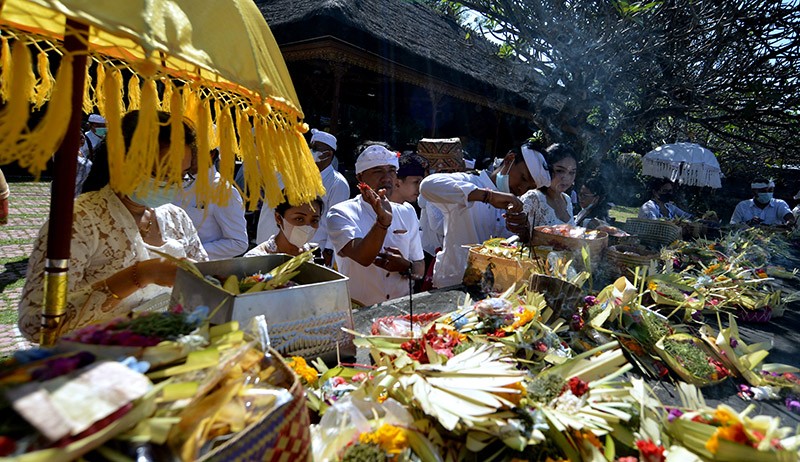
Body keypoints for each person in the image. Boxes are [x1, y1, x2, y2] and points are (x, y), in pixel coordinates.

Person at [18, 110, 208, 342]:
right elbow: (36, 324)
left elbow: (207, 283)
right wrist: (142, 274)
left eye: (184, 175)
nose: (175, 185)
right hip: (90, 365)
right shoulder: (78, 223)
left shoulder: (176, 218)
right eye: (164, 173)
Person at [419, 143, 544, 288]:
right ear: (509, 159)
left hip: (495, 289)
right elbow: (427, 186)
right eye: (523, 178)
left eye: (529, 187)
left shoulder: (518, 204)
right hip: (454, 283)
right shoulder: (471, 181)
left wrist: (521, 232)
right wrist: (488, 196)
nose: (522, 188)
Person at [327, 144, 424, 306]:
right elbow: (363, 257)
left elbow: (419, 266)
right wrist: (382, 222)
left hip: (401, 309)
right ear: (360, 178)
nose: (386, 178)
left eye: (391, 171)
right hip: (360, 311)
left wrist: (406, 266)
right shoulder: (341, 213)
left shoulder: (407, 212)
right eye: (378, 171)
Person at [256, 128, 349, 266]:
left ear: (327, 154)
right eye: (309, 147)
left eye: (314, 148)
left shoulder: (338, 183)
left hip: (313, 247)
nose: (309, 152)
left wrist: (329, 250)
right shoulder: (288, 172)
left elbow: (337, 220)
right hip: (275, 242)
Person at [175, 165, 248, 260]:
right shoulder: (178, 181)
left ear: (212, 154)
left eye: (193, 151)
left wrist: (191, 252)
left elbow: (238, 243)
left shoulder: (222, 189)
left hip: (204, 268)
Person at [518, 144, 579, 234]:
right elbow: (520, 237)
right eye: (559, 170)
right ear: (546, 169)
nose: (566, 177)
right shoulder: (533, 198)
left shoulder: (567, 199)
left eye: (572, 172)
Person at [246, 196, 323, 256]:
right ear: (278, 218)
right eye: (299, 219)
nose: (307, 226)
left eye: (314, 220)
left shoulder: (315, 255)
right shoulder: (257, 258)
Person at [730, 178, 795, 227]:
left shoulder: (779, 204)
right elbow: (733, 226)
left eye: (770, 190)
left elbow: (788, 216)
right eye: (763, 191)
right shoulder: (742, 206)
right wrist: (748, 224)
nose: (767, 193)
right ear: (754, 192)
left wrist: (790, 222)